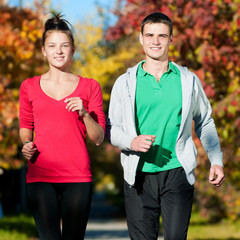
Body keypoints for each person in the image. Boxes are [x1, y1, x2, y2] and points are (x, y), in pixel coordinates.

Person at [106, 12, 225, 240]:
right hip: (138, 173)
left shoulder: (187, 80)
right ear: (140, 38)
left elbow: (205, 121)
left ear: (171, 39)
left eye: (162, 35)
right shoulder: (126, 83)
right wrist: (131, 142)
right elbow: (112, 128)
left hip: (177, 171)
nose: (155, 41)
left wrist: (216, 161)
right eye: (149, 35)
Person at [19, 12, 105, 240]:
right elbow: (26, 126)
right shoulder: (28, 87)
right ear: (43, 50)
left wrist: (85, 114)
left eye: (64, 45)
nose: (58, 51)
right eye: (52, 45)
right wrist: (26, 144)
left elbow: (98, 138)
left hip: (77, 175)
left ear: (73, 50)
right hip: (41, 175)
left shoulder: (89, 87)